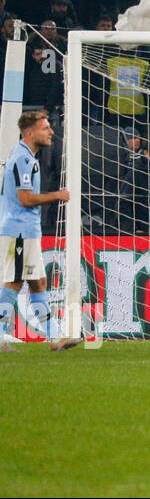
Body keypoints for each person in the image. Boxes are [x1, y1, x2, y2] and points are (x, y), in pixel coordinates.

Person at [0, 110, 74, 351]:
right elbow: (24, 199)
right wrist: (57, 195)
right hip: (19, 229)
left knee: (38, 281)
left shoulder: (26, 156)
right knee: (14, 281)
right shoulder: (22, 159)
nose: (51, 131)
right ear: (30, 132)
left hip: (26, 230)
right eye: (45, 128)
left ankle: (56, 337)